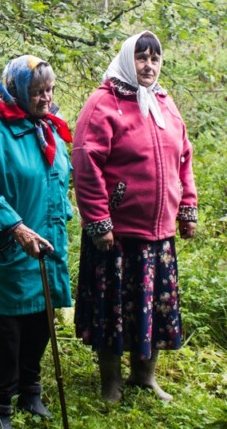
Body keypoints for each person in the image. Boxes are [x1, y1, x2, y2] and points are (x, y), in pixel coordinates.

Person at [72, 31, 197, 402]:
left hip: (158, 233)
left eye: (155, 58)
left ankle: (144, 375)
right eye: (141, 57)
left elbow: (184, 158)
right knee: (112, 310)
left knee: (155, 306)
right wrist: (99, 221)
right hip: (117, 234)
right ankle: (110, 383)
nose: (148, 65)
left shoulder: (164, 102)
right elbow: (85, 162)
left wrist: (186, 207)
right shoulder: (103, 103)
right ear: (129, 59)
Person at [0, 55, 74, 429]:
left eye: (50, 91)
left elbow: (59, 180)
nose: (46, 98)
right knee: (2, 329)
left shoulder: (48, 129)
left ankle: (31, 390)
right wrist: (16, 226)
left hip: (44, 246)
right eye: (38, 92)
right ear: (17, 90)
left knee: (39, 321)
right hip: (6, 247)